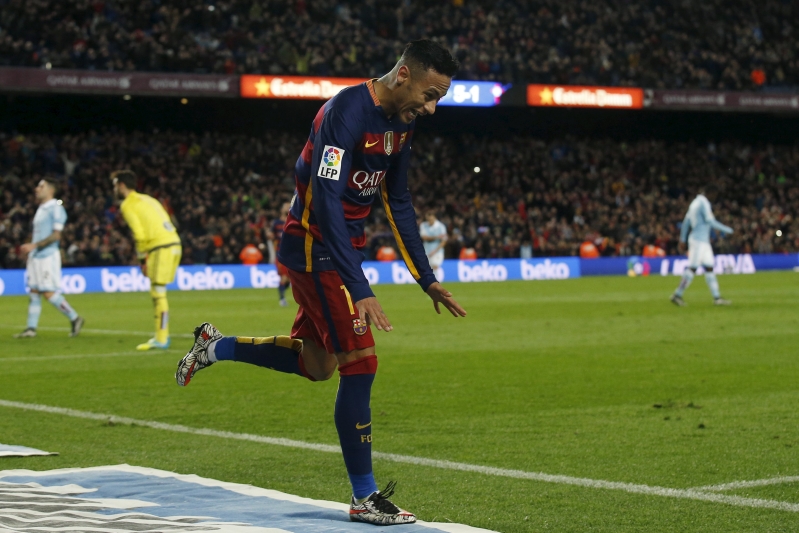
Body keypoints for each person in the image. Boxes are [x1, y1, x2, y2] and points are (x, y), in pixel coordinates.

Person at [175, 39, 466, 525]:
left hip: (341, 252)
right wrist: (362, 287)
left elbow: (399, 201)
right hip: (314, 248)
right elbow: (326, 200)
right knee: (361, 363)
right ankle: (365, 496)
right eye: (430, 94)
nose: (432, 108)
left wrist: (426, 279)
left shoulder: (403, 124)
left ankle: (216, 346)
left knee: (317, 365)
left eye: (440, 98)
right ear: (403, 76)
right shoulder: (345, 113)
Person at [112, 170, 182, 350]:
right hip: (174, 243)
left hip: (160, 247)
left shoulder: (127, 204)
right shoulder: (149, 199)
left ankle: (161, 338)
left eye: (115, 186)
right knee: (159, 291)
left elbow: (139, 234)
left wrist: (142, 259)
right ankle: (161, 336)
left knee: (158, 293)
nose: (114, 190)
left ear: (121, 185)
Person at [14, 178, 84, 338]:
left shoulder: (56, 208)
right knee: (34, 291)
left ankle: (75, 318)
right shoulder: (41, 208)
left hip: (48, 256)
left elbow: (56, 235)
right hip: (36, 256)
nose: (37, 189)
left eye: (41, 186)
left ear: (51, 190)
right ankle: (31, 329)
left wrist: (34, 245)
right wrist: (31, 248)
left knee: (48, 293)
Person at [671, 186, 733, 306]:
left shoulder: (694, 203)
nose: (714, 198)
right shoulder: (703, 203)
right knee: (693, 268)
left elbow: (686, 221)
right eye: (714, 195)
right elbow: (710, 221)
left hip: (703, 242)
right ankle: (677, 295)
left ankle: (717, 298)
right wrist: (727, 230)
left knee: (709, 267)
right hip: (698, 241)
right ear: (709, 193)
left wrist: (682, 239)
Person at [270, 202, 291, 307]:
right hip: (280, 254)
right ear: (282, 209)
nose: (288, 207)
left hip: (291, 254)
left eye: (289, 205)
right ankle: (282, 299)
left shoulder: (293, 221)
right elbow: (271, 236)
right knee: (283, 277)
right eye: (286, 206)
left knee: (289, 279)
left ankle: (282, 294)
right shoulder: (276, 223)